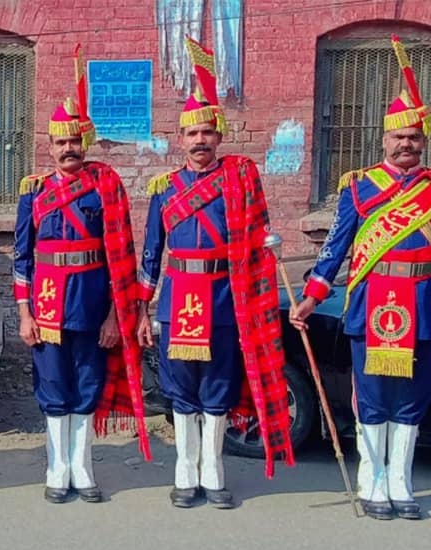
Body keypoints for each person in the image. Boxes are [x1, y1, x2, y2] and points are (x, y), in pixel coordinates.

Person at [290, 35, 431, 520]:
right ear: (383, 139)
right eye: (397, 137)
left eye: (413, 136)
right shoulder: (360, 186)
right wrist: (310, 297)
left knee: (411, 396)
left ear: (422, 140)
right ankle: (372, 483)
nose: (406, 144)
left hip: (424, 304)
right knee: (372, 394)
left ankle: (401, 484)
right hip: (372, 302)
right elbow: (336, 247)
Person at [138, 37, 294, 509]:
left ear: (219, 135)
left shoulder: (241, 180)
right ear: (181, 139)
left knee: (220, 387)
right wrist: (142, 309)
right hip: (179, 293)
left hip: (225, 298)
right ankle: (185, 471)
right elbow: (151, 252)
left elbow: (260, 234)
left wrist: (271, 254)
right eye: (192, 133)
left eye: (208, 132)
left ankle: (214, 469)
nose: (200, 140)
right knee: (181, 389)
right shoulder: (164, 189)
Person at [14, 45, 150, 504]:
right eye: (59, 142)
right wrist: (24, 312)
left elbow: (121, 255)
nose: (68, 149)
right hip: (47, 301)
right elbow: (21, 258)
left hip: (93, 301)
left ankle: (83, 467)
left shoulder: (106, 186)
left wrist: (117, 313)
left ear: (85, 142)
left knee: (87, 383)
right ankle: (57, 468)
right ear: (49, 147)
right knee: (53, 385)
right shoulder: (33, 193)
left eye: (74, 141)